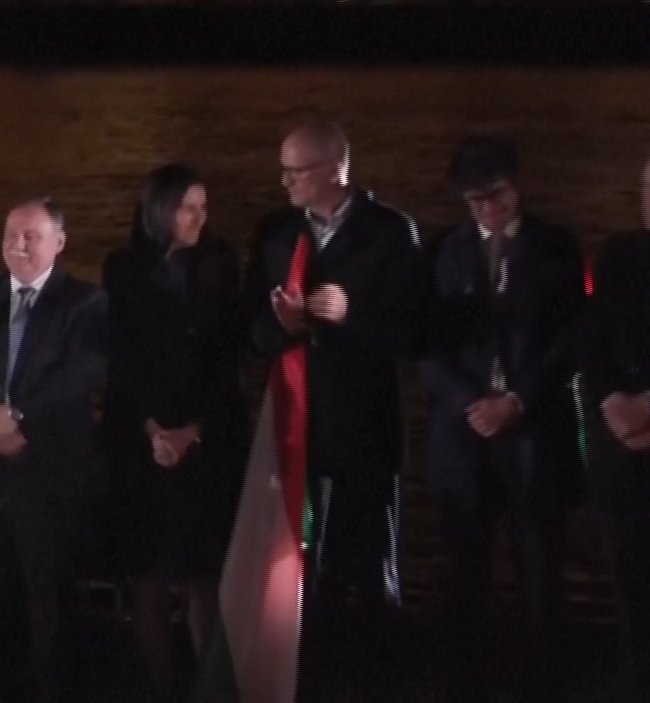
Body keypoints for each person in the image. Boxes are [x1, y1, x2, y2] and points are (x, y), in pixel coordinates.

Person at [247, 119, 427, 695]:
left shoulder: (392, 234)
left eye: (297, 171)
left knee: (369, 566)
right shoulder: (277, 234)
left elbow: (416, 336)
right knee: (301, 572)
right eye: (284, 168)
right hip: (295, 425)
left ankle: (374, 681)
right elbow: (254, 334)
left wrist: (356, 316)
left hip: (365, 428)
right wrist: (285, 327)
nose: (286, 181)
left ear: (334, 170)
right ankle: (307, 681)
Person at [420, 137, 583, 702]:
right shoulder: (444, 250)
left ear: (516, 189)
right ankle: (466, 682)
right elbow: (426, 344)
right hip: (462, 436)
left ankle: (546, 682)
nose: (489, 210)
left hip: (533, 429)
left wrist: (518, 399)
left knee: (541, 565)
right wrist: (472, 401)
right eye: (476, 201)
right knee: (465, 569)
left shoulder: (557, 247)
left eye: (497, 196)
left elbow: (569, 341)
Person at [0, 197, 108, 703]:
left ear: (59, 243)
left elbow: (82, 373)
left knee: (51, 598)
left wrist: (18, 416)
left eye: (30, 236)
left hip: (49, 471)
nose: (17, 245)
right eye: (10, 235)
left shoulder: (85, 303)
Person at [101, 165, 247, 703]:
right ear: (159, 210)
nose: (198, 218)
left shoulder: (217, 263)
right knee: (146, 573)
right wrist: (151, 428)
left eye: (203, 208)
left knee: (203, 570)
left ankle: (210, 691)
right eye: (188, 207)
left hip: (205, 435)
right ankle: (159, 688)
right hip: (140, 438)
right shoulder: (123, 267)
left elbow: (225, 357)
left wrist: (192, 430)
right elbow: (124, 357)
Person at [579, 153, 650, 703]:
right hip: (623, 446)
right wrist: (614, 404)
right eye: (645, 188)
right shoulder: (622, 253)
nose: (647, 200)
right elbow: (596, 338)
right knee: (631, 581)